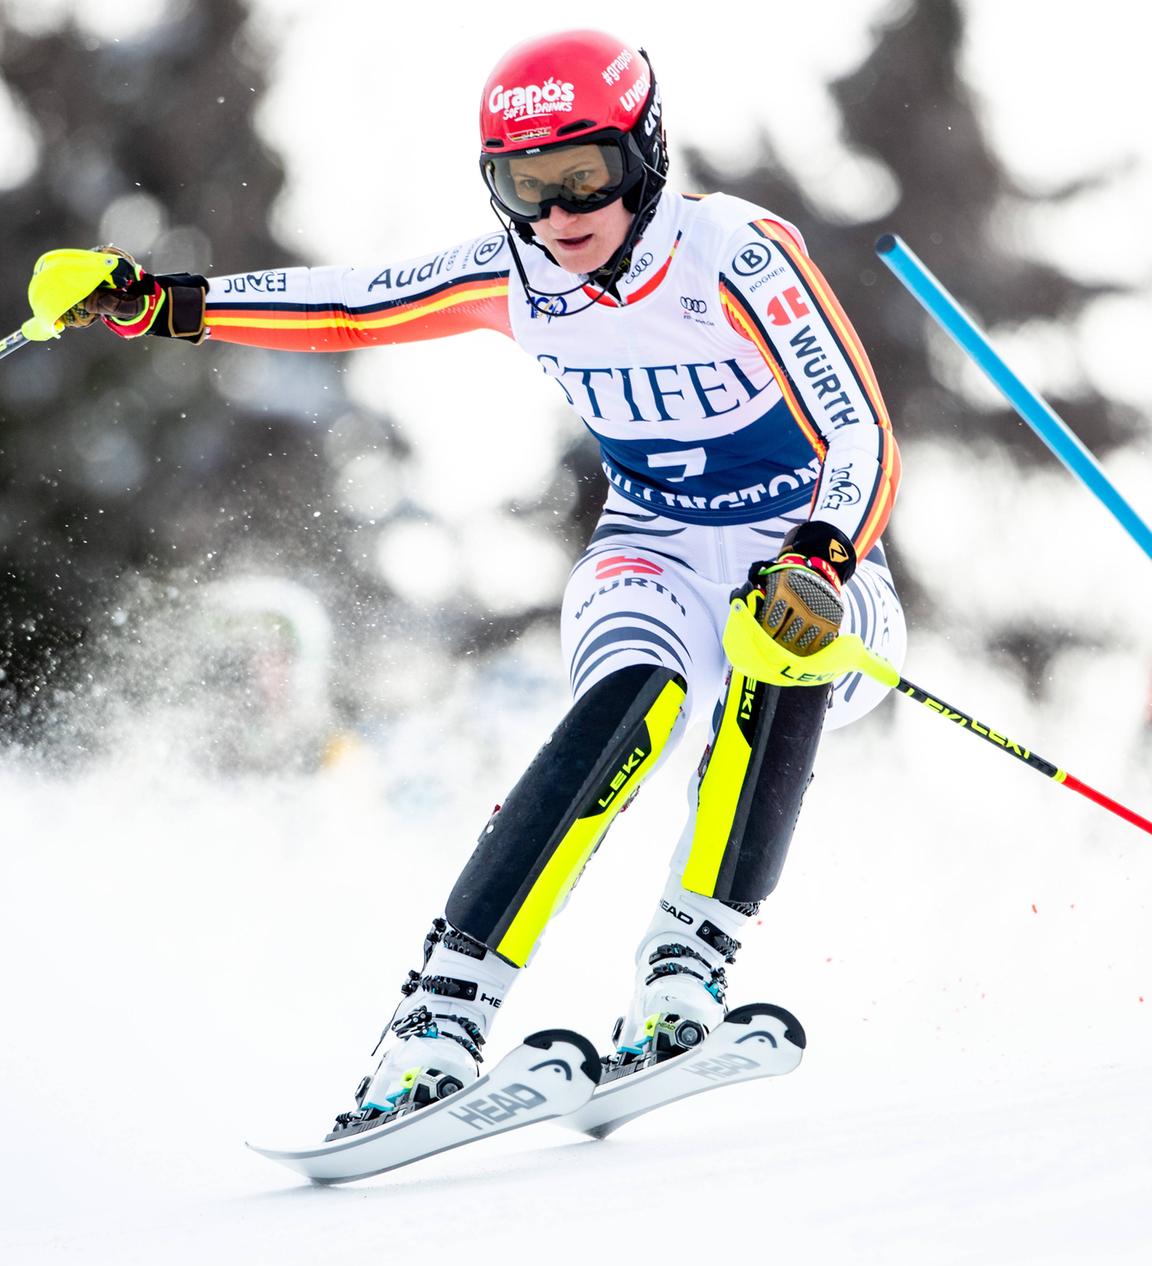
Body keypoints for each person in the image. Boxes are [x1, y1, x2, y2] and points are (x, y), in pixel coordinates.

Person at [41, 29, 905, 1136]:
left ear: (643, 154)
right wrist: (160, 303)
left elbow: (860, 433)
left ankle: (686, 966)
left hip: (815, 554)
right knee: (632, 698)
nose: (557, 214)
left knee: (778, 642)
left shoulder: (732, 252)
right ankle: (438, 1020)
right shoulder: (520, 277)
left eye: (582, 174)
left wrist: (824, 553)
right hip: (655, 543)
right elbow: (350, 303)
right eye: (523, 185)